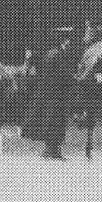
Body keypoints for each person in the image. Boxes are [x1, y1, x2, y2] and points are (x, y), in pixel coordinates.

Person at [22, 26, 80, 159]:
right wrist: (75, 79)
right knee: (53, 122)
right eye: (68, 40)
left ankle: (54, 151)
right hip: (53, 95)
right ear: (63, 41)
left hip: (56, 94)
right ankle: (50, 151)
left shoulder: (57, 53)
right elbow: (61, 74)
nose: (69, 42)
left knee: (57, 122)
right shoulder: (56, 54)